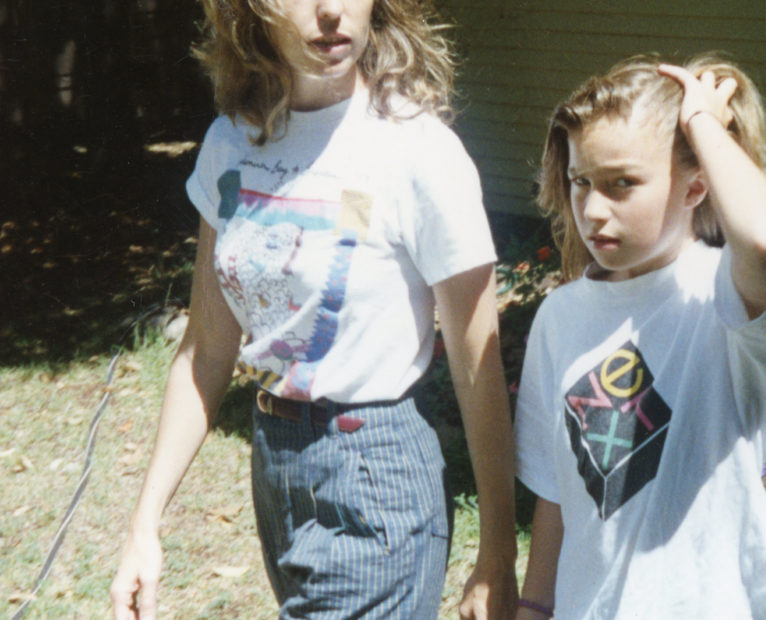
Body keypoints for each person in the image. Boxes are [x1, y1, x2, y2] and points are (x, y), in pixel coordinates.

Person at [109, 1, 517, 618]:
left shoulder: (419, 151)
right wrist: (144, 526)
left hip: (373, 476)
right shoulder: (232, 143)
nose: (330, 10)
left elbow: (477, 368)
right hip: (275, 463)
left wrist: (497, 556)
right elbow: (206, 350)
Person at [512, 54, 766, 619]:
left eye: (623, 183)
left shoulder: (724, 298)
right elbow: (556, 493)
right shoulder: (559, 316)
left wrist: (703, 122)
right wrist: (534, 606)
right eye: (582, 182)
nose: (593, 210)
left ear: (696, 186)